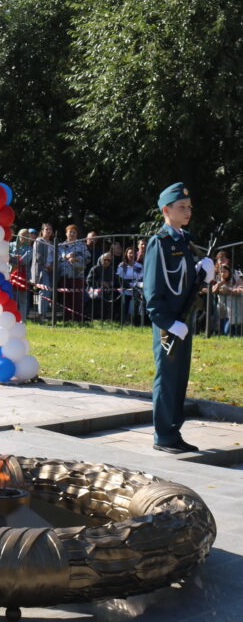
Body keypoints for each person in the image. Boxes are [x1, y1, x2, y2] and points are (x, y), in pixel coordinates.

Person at [143, 182, 214, 454]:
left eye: (189, 207)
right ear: (166, 210)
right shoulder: (158, 243)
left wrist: (202, 273)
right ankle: (163, 435)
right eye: (181, 207)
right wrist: (168, 323)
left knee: (180, 377)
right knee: (167, 378)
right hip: (169, 324)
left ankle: (174, 432)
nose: (187, 212)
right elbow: (152, 291)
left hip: (183, 322)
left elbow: (184, 283)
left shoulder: (184, 240)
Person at [57, 224, 88, 321]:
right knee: (66, 298)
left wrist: (77, 259)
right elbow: (56, 259)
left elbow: (88, 257)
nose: (72, 234)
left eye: (74, 232)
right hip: (64, 274)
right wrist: (65, 256)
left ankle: (78, 319)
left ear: (77, 234)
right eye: (70, 232)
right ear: (66, 233)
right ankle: (67, 319)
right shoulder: (60, 246)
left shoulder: (81, 245)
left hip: (77, 274)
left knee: (77, 297)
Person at [85, 252, 121, 320]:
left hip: (107, 295)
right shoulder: (95, 269)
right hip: (95, 295)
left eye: (109, 260)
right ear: (101, 259)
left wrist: (111, 283)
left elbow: (116, 280)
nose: (107, 261)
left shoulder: (111, 270)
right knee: (94, 312)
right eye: (105, 259)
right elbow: (88, 281)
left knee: (107, 312)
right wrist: (100, 283)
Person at [9, 228, 34, 321]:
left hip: (24, 275)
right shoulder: (11, 245)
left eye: (27, 235)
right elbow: (5, 255)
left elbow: (24, 260)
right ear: (18, 235)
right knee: (12, 298)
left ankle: (22, 320)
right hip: (10, 274)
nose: (24, 237)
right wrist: (12, 257)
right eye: (22, 234)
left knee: (23, 299)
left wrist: (11, 258)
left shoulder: (30, 248)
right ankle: (12, 319)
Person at [31, 222, 54, 318]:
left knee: (48, 292)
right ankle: (41, 314)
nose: (48, 231)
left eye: (50, 229)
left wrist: (52, 266)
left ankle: (43, 313)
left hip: (51, 270)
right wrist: (47, 266)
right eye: (46, 229)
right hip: (42, 269)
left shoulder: (52, 243)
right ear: (42, 231)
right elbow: (38, 256)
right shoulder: (39, 241)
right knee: (44, 291)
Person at [116, 246, 143, 320]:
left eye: (133, 253)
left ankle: (134, 321)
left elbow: (141, 277)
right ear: (126, 254)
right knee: (124, 306)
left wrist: (136, 285)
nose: (131, 255)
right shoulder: (122, 265)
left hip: (137, 289)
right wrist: (128, 285)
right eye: (130, 253)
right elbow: (119, 278)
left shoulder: (139, 266)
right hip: (125, 290)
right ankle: (123, 320)